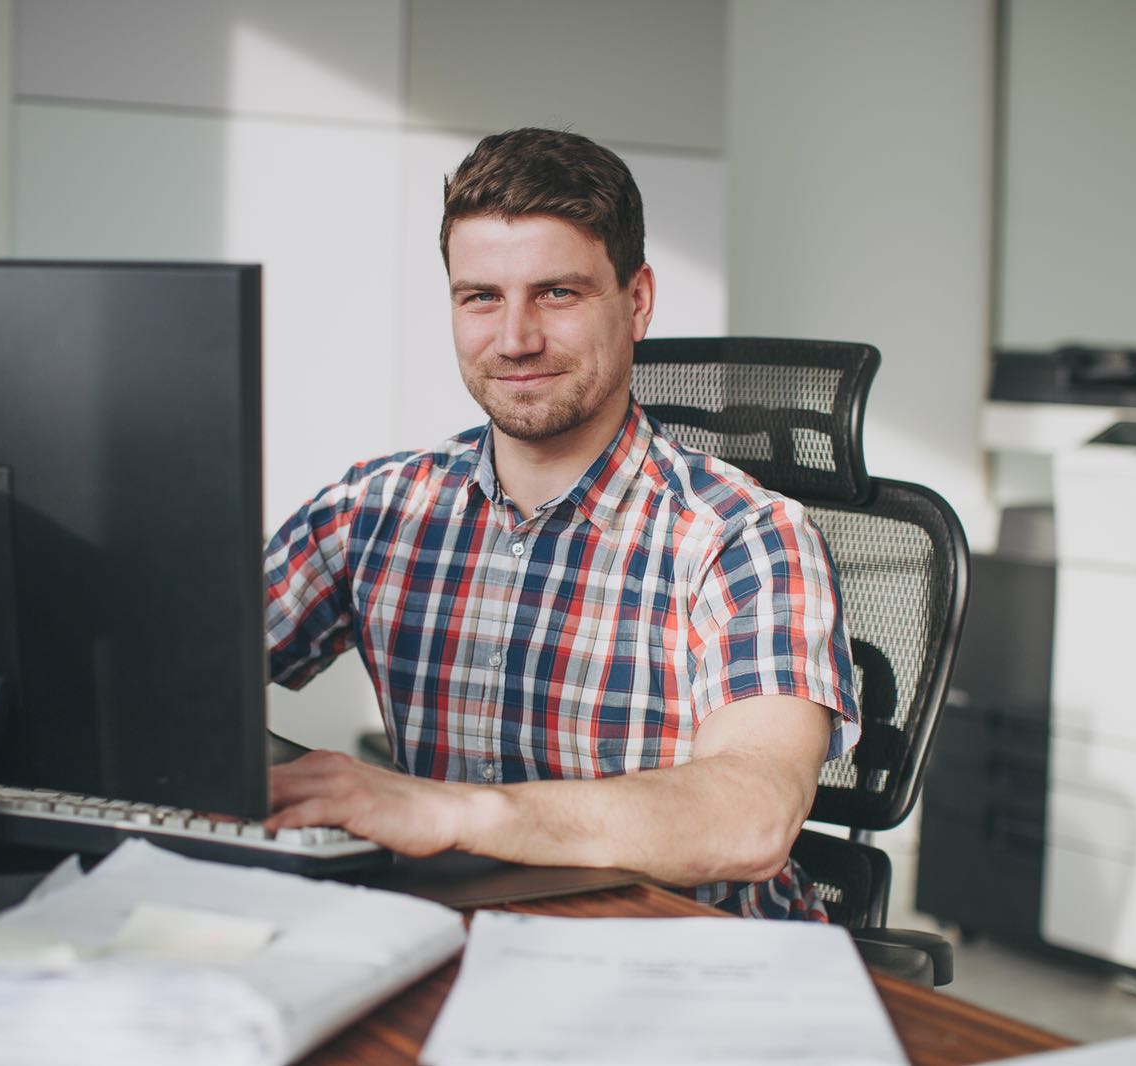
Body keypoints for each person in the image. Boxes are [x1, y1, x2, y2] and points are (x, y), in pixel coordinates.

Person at [262, 128, 859, 919]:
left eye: (557, 294)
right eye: (481, 297)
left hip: (688, 952)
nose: (515, 340)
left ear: (637, 302)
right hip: (455, 931)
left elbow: (751, 816)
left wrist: (449, 812)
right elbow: (175, 674)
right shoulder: (376, 510)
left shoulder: (744, 537)